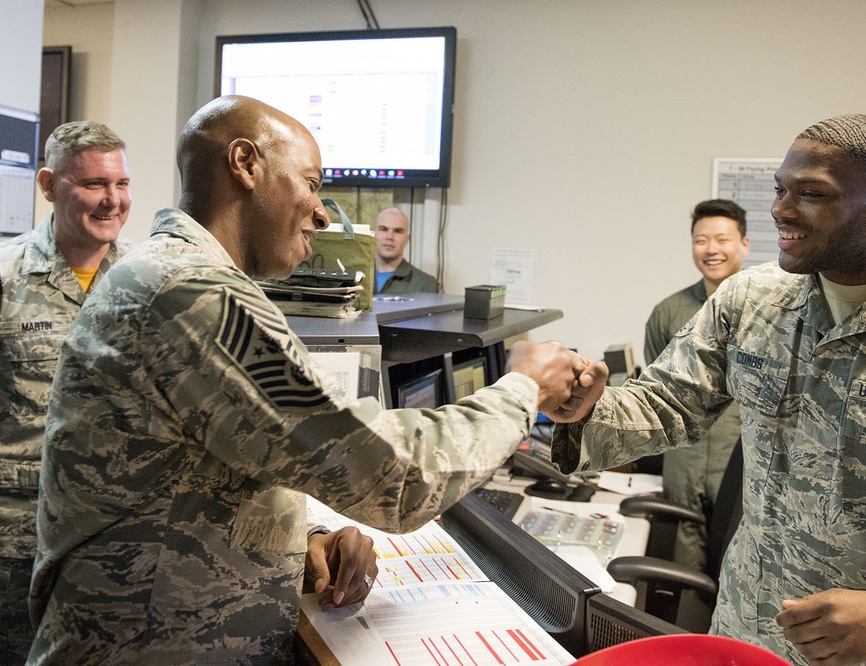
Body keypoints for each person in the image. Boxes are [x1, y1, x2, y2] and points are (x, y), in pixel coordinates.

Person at [27, 95, 582, 665]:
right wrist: (524, 388)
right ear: (245, 164)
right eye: (311, 184)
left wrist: (304, 537)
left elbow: (212, 468)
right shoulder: (196, 295)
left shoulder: (176, 278)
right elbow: (397, 478)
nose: (321, 213)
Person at [552, 114, 866, 664]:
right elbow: (664, 405)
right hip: (749, 631)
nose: (781, 210)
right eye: (780, 190)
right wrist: (581, 405)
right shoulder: (750, 301)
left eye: (812, 194)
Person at [0, 121, 133, 664]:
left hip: (114, 549)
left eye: (121, 184)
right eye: (94, 184)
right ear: (49, 185)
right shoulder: (7, 279)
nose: (113, 200)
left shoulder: (146, 283)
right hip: (16, 547)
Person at [640, 199, 748, 577]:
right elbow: (654, 391)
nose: (711, 249)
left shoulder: (767, 309)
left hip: (740, 458)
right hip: (682, 459)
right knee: (684, 572)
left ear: (744, 245)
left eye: (722, 239)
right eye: (702, 240)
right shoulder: (668, 312)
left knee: (737, 564)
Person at [373, 206, 439, 294]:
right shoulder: (355, 278)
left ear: (407, 239)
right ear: (373, 235)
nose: (389, 237)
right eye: (383, 229)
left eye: (398, 231)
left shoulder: (425, 284)